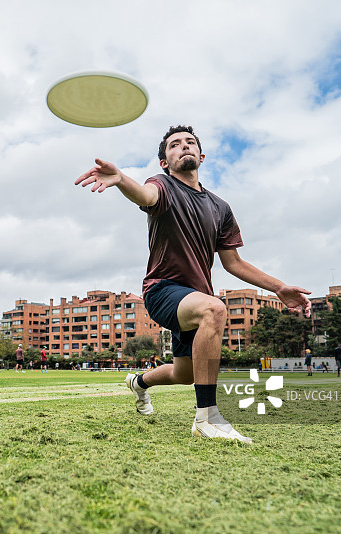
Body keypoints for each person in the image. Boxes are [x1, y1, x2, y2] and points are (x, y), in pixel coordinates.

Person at [75, 125, 311, 444]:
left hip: (194, 297)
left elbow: (234, 263)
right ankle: (208, 418)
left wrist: (279, 287)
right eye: (174, 145)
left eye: (190, 143)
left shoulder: (220, 208)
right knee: (214, 310)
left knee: (184, 374)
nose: (183, 146)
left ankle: (139, 383)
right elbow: (145, 196)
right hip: (162, 290)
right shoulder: (161, 185)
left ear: (201, 156)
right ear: (164, 161)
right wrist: (120, 180)